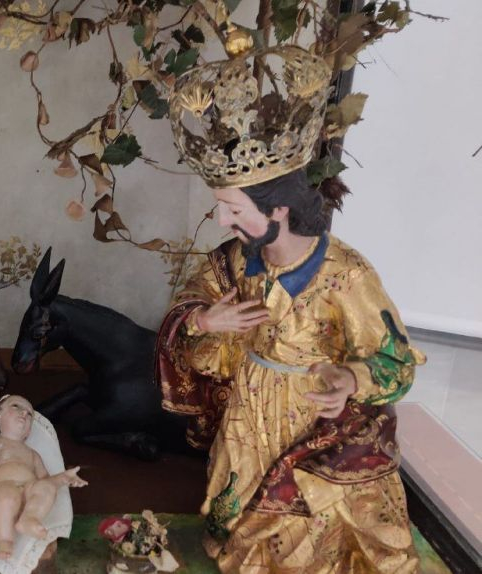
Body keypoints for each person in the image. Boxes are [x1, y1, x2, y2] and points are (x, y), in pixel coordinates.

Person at [156, 169, 424, 573]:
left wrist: (350, 379)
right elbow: (193, 295)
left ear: (279, 208)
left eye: (233, 210)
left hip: (312, 414)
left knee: (307, 532)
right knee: (238, 507)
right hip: (249, 410)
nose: (222, 220)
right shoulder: (239, 257)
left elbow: (395, 358)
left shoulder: (346, 273)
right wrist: (204, 320)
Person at [0, 394, 87, 559]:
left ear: (29, 431)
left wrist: (63, 478)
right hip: (5, 484)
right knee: (9, 497)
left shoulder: (32, 454)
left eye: (29, 414)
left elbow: (44, 480)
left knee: (47, 488)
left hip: (30, 487)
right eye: (16, 406)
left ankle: (29, 518)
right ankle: (6, 539)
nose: (24, 413)